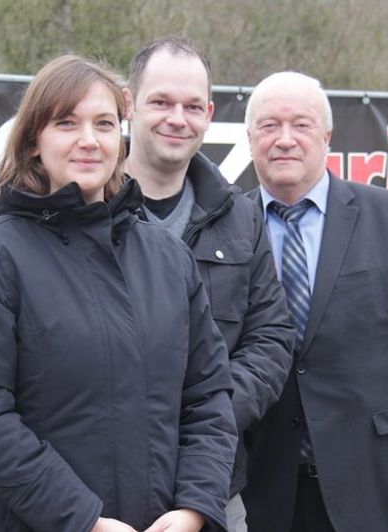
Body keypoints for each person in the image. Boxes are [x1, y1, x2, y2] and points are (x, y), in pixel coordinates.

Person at [0, 54, 237, 532]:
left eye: (103, 123)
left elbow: (207, 397)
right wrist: (85, 520)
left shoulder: (168, 257)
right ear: (34, 141)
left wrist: (196, 506)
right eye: (66, 123)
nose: (88, 140)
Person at [240, 71, 388, 532]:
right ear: (249, 138)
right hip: (267, 491)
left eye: (300, 124)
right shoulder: (225, 228)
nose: (284, 140)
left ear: (326, 137)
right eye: (268, 126)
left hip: (376, 485)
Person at [124, 36, 294, 532]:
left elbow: (271, 340)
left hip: (215, 491)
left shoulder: (241, 218)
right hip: (104, 490)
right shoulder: (83, 209)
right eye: (161, 102)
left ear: (209, 113)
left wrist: (210, 411)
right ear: (129, 105)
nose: (178, 118)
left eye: (192, 106)